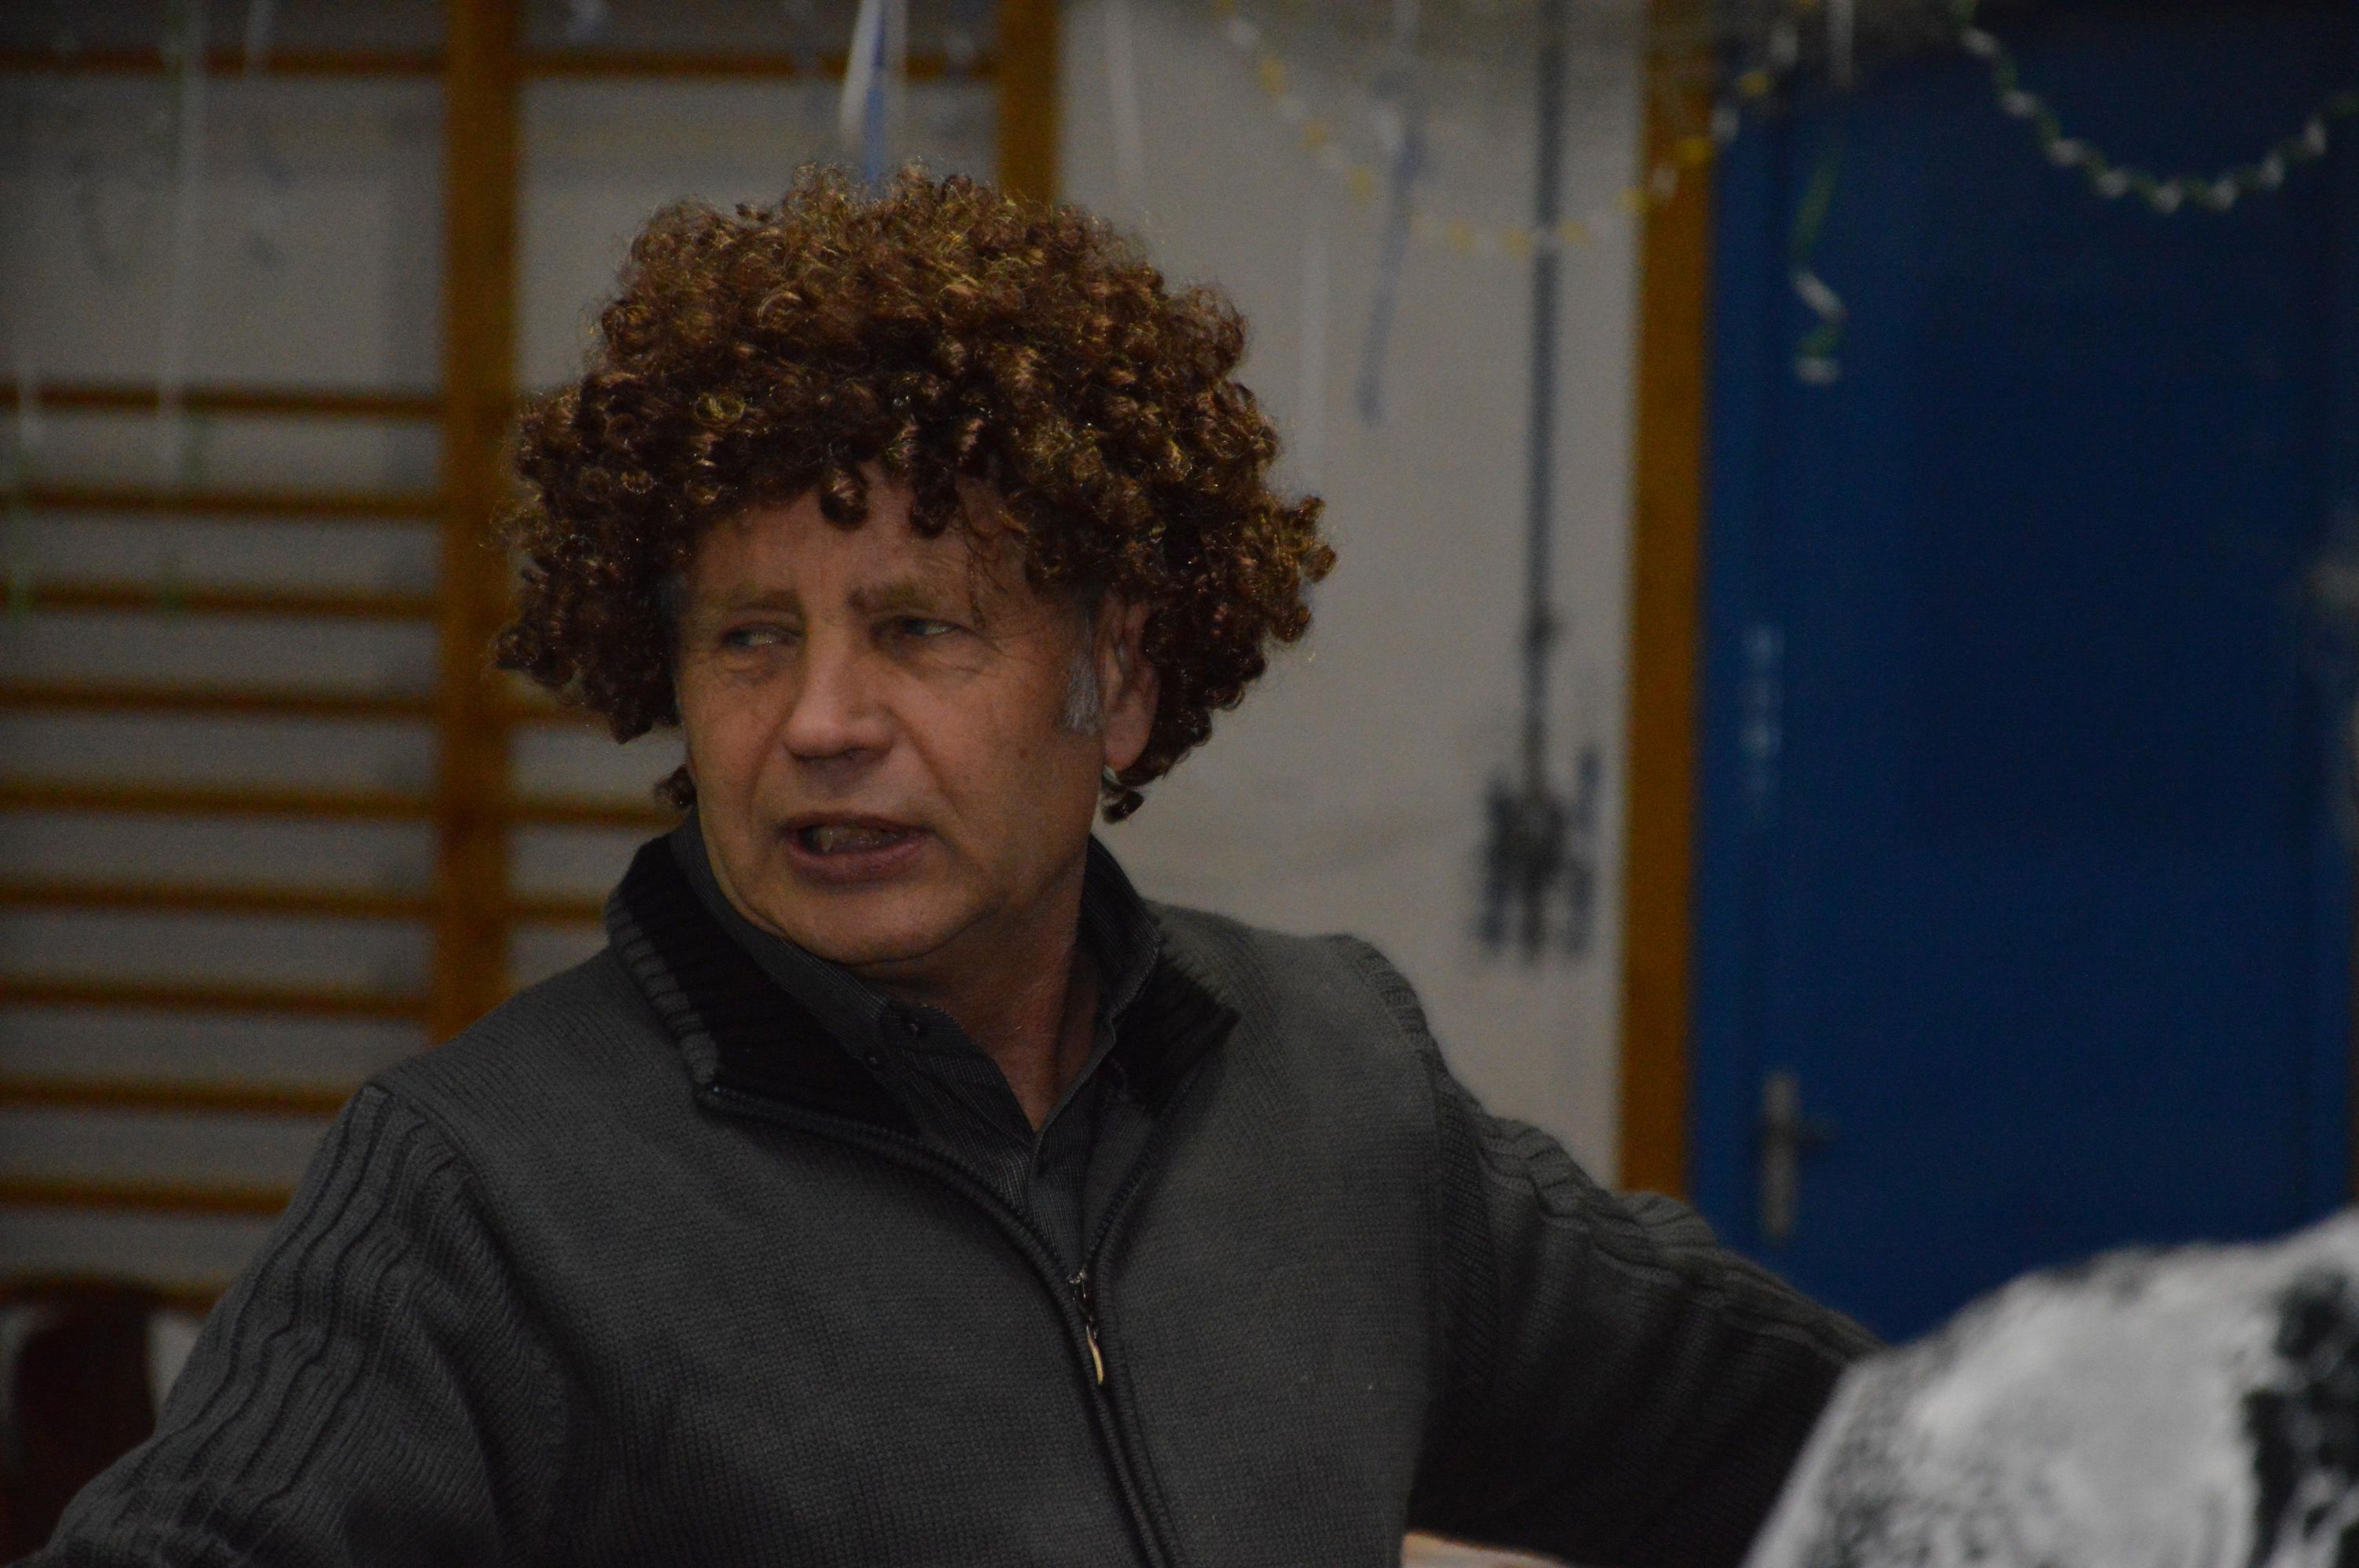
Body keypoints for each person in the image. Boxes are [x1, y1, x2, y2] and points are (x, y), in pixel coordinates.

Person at [30, 169, 1873, 1568]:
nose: (822, 720)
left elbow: (1834, 1449)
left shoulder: (1334, 1084)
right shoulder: (485, 1196)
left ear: (1116, 681)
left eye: (918, 628)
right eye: (750, 639)